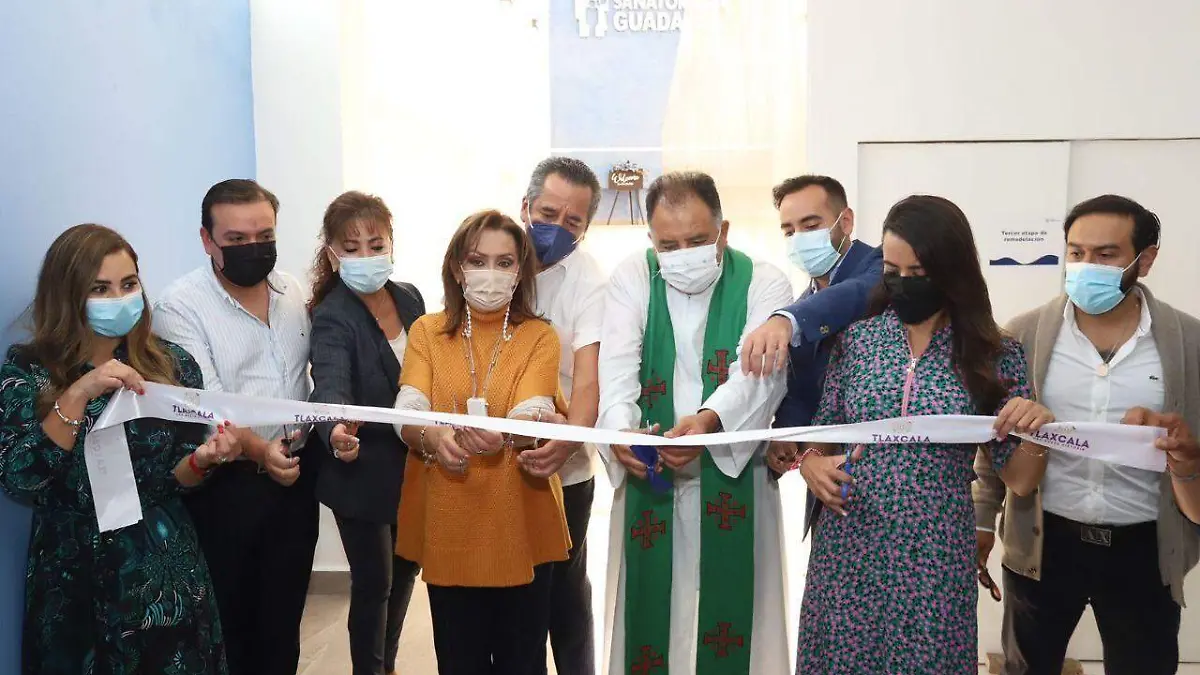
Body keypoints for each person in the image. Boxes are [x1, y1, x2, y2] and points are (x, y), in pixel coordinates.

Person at [794, 195, 1053, 674]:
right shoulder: (858, 340)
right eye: (892, 271)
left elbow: (1020, 479)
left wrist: (1038, 430)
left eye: (918, 272)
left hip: (933, 556)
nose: (902, 283)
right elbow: (821, 434)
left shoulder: (992, 354)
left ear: (951, 272)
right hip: (848, 546)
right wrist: (809, 463)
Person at [973, 194, 1200, 675]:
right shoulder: (1024, 335)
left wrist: (1186, 453)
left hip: (1145, 549)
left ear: (1145, 260)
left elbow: (1192, 450)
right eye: (1076, 253)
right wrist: (981, 521)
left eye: (1106, 254)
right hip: (1044, 543)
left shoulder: (1189, 343)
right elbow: (996, 442)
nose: (1086, 266)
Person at [0, 224, 237, 674]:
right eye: (100, 289)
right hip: (73, 575)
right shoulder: (29, 370)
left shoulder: (172, 365)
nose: (120, 298)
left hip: (161, 571)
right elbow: (21, 477)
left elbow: (174, 478)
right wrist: (78, 393)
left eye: (128, 284)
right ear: (68, 294)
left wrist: (203, 460)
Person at [597, 171, 793, 674]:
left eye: (697, 240)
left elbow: (761, 375)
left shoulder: (764, 281)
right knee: (654, 621)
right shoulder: (632, 277)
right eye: (668, 245)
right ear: (651, 240)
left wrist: (709, 423)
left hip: (732, 475)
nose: (682, 254)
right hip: (651, 477)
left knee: (733, 626)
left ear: (723, 231)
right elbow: (615, 367)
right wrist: (622, 432)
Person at [392, 210, 570, 675]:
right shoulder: (427, 332)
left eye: (504, 262)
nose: (490, 273)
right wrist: (433, 437)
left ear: (520, 271)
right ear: (457, 268)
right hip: (449, 523)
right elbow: (407, 409)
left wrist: (504, 434)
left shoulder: (540, 336)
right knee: (458, 661)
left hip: (521, 522)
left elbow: (533, 409)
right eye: (477, 260)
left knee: (523, 662)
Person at [152, 179, 318, 675]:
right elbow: (207, 407)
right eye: (237, 239)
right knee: (233, 625)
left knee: (284, 622)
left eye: (264, 236)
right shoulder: (180, 307)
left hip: (296, 477)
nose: (254, 248)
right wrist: (258, 450)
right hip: (227, 486)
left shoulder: (293, 292)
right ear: (207, 240)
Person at [308, 192, 425, 675]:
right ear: (333, 254)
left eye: (375, 245)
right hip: (358, 469)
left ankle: (387, 664)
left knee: (405, 573)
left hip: (412, 466)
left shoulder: (410, 298)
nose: (365, 256)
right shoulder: (333, 314)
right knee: (374, 582)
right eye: (351, 248)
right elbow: (330, 380)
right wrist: (336, 429)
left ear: (392, 244)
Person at [751, 176, 882, 536]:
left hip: (889, 482)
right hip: (828, 487)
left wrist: (787, 320)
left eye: (810, 226)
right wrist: (786, 434)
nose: (799, 239)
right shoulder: (804, 304)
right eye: (789, 231)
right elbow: (805, 387)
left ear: (846, 221)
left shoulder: (880, 268)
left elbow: (854, 294)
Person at [516, 157, 607, 675]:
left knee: (566, 595)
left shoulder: (588, 279)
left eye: (573, 221)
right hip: (493, 464)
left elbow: (589, 377)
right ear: (525, 206)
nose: (556, 229)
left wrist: (570, 440)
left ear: (586, 227)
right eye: (548, 214)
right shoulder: (493, 257)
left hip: (566, 464)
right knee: (515, 601)